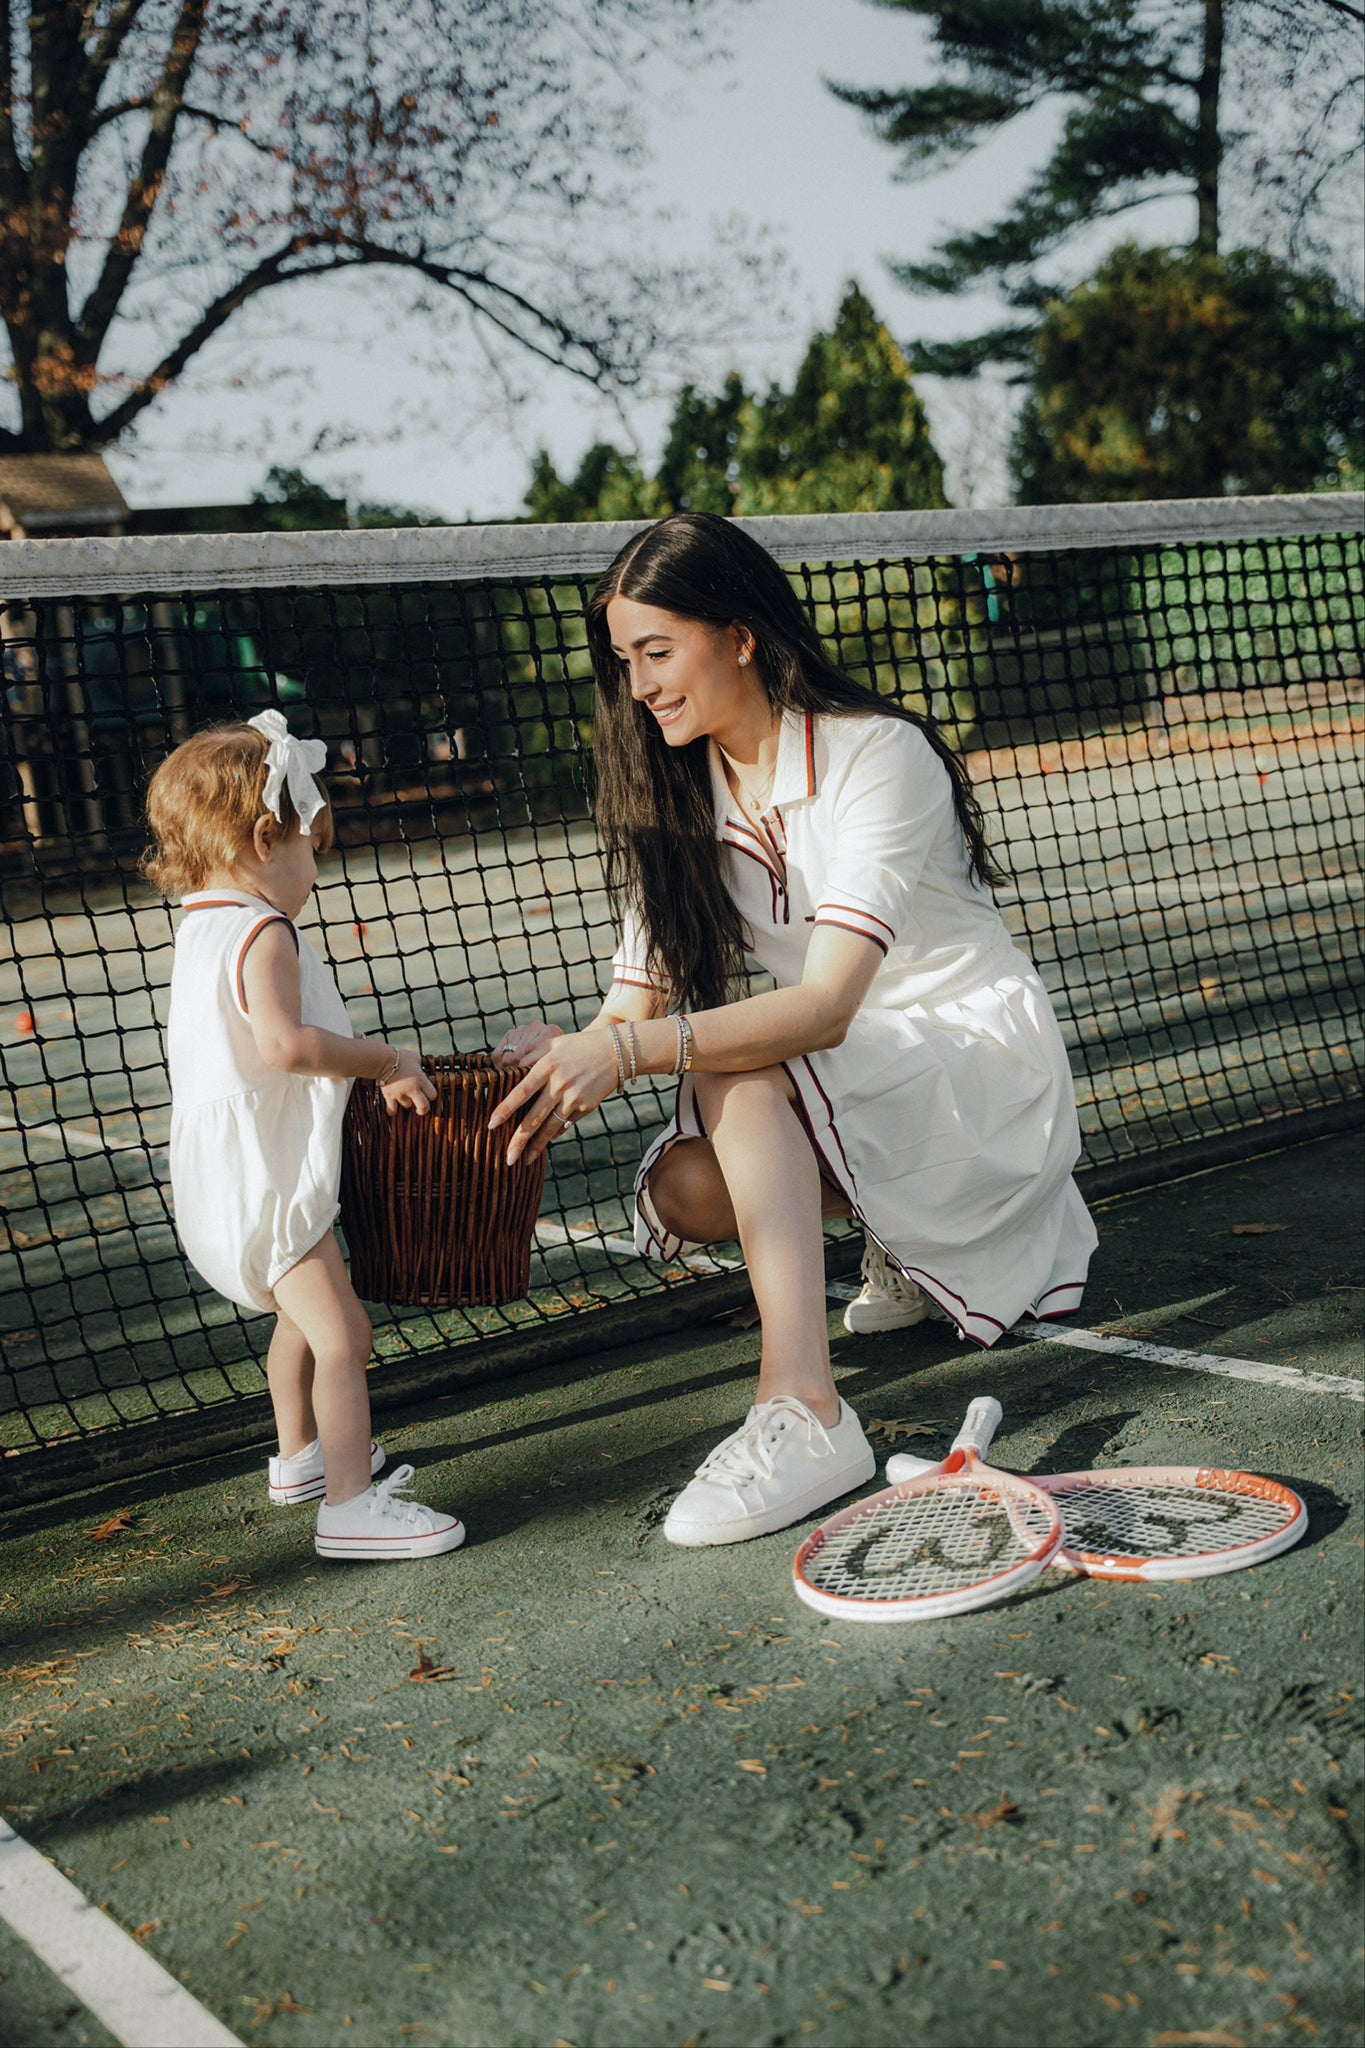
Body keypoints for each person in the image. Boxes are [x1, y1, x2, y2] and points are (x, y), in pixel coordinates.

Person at [491, 512, 1097, 1548]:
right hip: (852, 1072)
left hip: (966, 1056)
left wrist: (631, 1051)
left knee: (741, 1066)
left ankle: (806, 1408)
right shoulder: (674, 786)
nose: (637, 683)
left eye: (657, 650)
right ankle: (894, 1232)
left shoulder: (880, 753)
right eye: (623, 659)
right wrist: (557, 1058)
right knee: (687, 1186)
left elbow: (821, 1007)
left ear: (740, 633)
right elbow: (630, 1005)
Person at [144, 710, 465, 1562]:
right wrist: (386, 1060)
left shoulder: (202, 922)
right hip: (267, 1175)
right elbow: (285, 1046)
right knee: (342, 1336)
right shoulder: (263, 930)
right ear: (260, 839)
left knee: (298, 1314)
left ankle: (301, 1458)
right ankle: (351, 1508)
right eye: (310, 847)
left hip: (228, 1176)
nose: (315, 867)